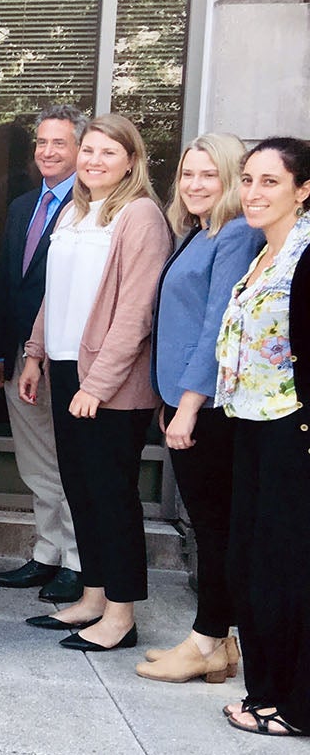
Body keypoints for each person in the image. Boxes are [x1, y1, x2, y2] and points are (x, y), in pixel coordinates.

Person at [18, 113, 171, 651]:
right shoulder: (78, 212)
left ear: (132, 160)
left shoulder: (140, 215)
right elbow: (51, 293)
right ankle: (93, 596)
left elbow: (136, 312)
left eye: (109, 152)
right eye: (89, 151)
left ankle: (121, 615)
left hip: (108, 383)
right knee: (81, 490)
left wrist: (97, 385)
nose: (94, 161)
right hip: (64, 369)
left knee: (112, 497)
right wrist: (35, 354)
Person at [139, 133, 260, 682]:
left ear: (232, 178)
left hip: (207, 408)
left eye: (208, 175)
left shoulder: (234, 235)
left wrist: (188, 405)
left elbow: (217, 326)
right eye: (188, 174)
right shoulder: (199, 231)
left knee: (213, 528)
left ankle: (209, 640)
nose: (194, 184)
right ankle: (219, 641)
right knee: (211, 525)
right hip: (183, 398)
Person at [216, 137, 310, 737]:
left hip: (291, 431)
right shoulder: (261, 253)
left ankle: (296, 705)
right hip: (249, 424)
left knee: (287, 569)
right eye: (248, 179)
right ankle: (265, 689)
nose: (253, 192)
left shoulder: (306, 255)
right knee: (250, 564)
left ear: (303, 190)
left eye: (270, 182)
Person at [0, 105, 89, 604]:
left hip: (64, 358)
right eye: (42, 143)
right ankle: (47, 551)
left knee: (69, 459)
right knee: (35, 463)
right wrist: (3, 352)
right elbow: (12, 284)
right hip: (18, 356)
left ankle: (76, 560)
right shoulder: (22, 205)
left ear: (80, 150)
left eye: (61, 143)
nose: (48, 152)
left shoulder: (92, 208)